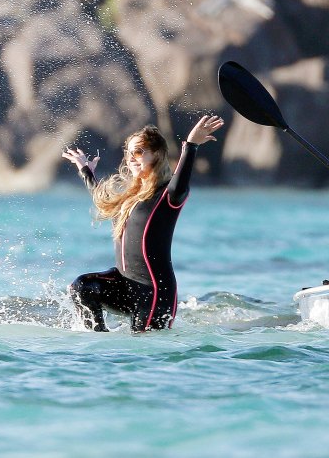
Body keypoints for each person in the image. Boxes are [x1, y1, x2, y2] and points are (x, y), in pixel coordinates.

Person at [61, 115, 224, 332]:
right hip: (124, 286)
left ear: (156, 154)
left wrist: (191, 145)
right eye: (128, 153)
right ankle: (98, 343)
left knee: (142, 347)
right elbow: (102, 200)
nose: (131, 158)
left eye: (138, 152)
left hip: (154, 293)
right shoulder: (129, 199)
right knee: (82, 287)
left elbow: (181, 182)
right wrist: (85, 170)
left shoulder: (167, 195)